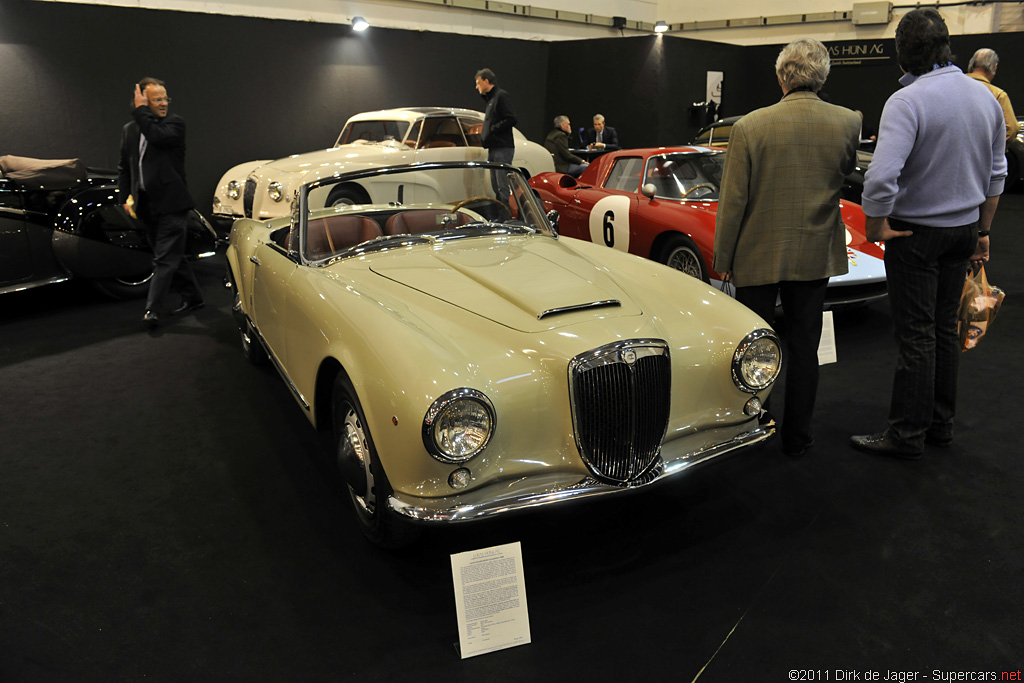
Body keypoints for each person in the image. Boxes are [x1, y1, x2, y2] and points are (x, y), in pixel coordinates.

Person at [850, 9, 1006, 459]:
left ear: (902, 55)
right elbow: (997, 174)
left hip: (916, 236)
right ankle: (941, 426)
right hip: (963, 231)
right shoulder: (986, 99)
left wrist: (877, 224)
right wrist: (983, 231)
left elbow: (880, 179)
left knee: (916, 336)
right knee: (942, 331)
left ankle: (906, 434)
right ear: (946, 46)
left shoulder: (907, 102)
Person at [713, 38, 860, 457]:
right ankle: (799, 436)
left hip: (756, 254)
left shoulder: (749, 127)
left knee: (754, 350)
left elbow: (733, 202)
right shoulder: (848, 122)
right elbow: (843, 173)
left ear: (781, 78)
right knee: (804, 349)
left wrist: (723, 260)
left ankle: (756, 426)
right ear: (824, 76)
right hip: (814, 254)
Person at [118, 77, 202, 329]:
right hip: (146, 205)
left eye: (165, 98)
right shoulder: (129, 130)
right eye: (157, 99)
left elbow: (156, 136)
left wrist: (141, 110)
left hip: (172, 203)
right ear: (142, 100)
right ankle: (194, 298)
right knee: (171, 255)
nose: (164, 103)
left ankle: (152, 310)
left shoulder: (174, 124)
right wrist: (124, 197)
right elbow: (124, 167)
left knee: (164, 259)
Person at [966, 48, 1020, 143]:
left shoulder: (952, 87)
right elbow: (1012, 128)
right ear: (995, 67)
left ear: (971, 64)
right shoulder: (998, 95)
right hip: (986, 154)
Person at [474, 68, 517, 165]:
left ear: (486, 81)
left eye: (478, 83)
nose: (477, 87)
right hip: (494, 148)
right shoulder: (491, 99)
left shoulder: (501, 96)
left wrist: (493, 129)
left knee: (501, 179)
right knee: (495, 180)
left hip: (502, 148)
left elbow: (511, 118)